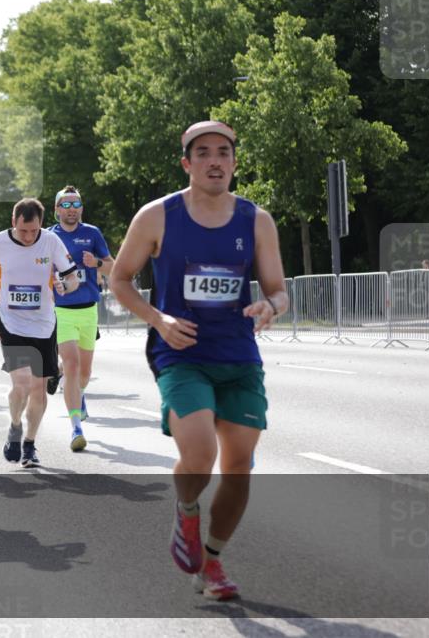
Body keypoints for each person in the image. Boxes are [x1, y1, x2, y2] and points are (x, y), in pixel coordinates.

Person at [110, 120, 288, 600]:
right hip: (181, 352)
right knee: (199, 454)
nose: (215, 160)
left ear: (233, 161)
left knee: (239, 467)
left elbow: (278, 289)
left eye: (224, 152)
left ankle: (211, 561)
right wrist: (158, 319)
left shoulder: (256, 220)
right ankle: (186, 508)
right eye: (203, 152)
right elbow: (120, 280)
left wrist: (270, 307)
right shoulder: (157, 216)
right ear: (187, 162)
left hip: (238, 355)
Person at [0, 198, 80, 465]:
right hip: (11, 322)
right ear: (14, 223)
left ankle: (30, 444)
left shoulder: (51, 242)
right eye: (23, 230)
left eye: (34, 230)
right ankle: (14, 425)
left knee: (38, 389)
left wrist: (65, 287)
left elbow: (73, 278)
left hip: (44, 323)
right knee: (21, 384)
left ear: (41, 225)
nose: (28, 236)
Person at [48, 186, 113, 430]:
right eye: (65, 204)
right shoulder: (49, 237)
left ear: (82, 208)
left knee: (85, 372)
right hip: (61, 310)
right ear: (57, 209)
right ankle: (76, 426)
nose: (71, 209)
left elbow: (112, 267)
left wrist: (95, 263)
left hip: (88, 309)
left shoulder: (92, 233)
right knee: (72, 364)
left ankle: (79, 392)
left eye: (76, 204)